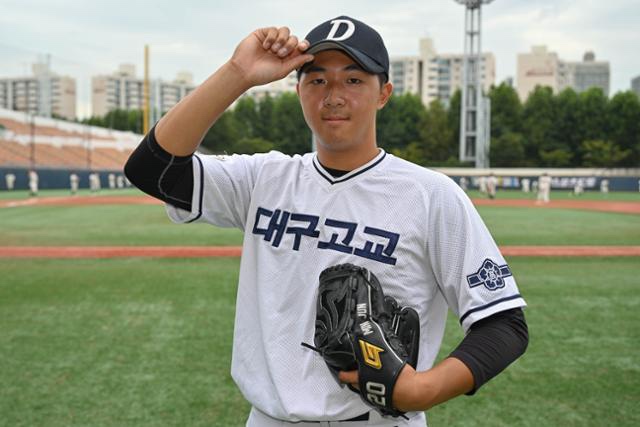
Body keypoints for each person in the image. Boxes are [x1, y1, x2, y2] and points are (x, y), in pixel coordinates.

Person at [125, 16, 528, 426]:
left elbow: (504, 324)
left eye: (353, 80)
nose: (333, 96)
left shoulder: (431, 196)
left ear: (384, 93)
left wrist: (423, 389)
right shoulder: (264, 179)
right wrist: (238, 74)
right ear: (298, 91)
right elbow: (152, 170)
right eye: (317, 80)